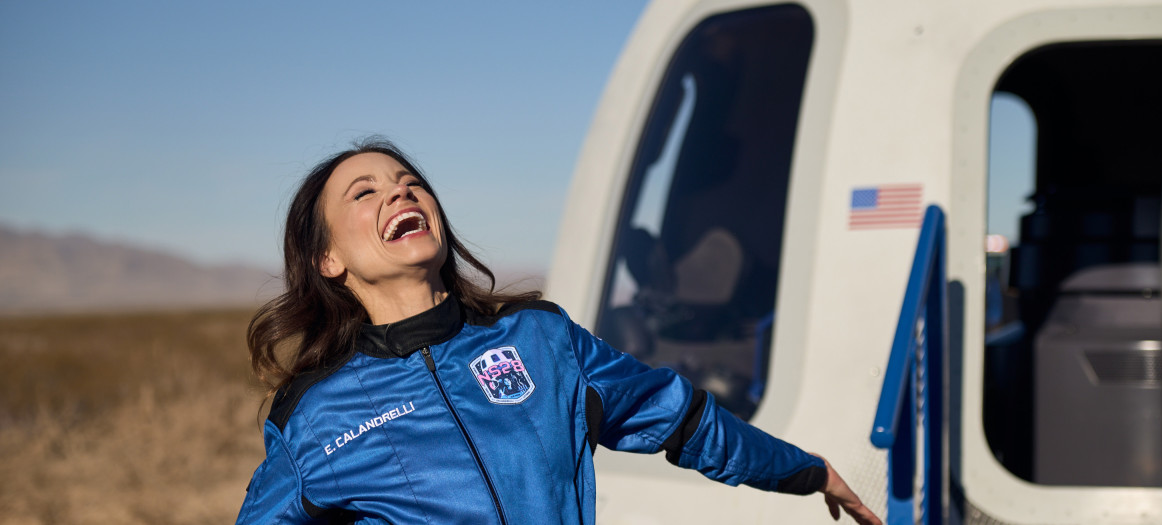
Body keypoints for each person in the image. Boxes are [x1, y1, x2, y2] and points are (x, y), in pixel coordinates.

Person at [237, 138, 880, 524]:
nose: (399, 194)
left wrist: (807, 472)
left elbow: (684, 418)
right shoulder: (315, 415)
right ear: (328, 259)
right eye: (364, 192)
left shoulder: (540, 341)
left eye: (410, 184)